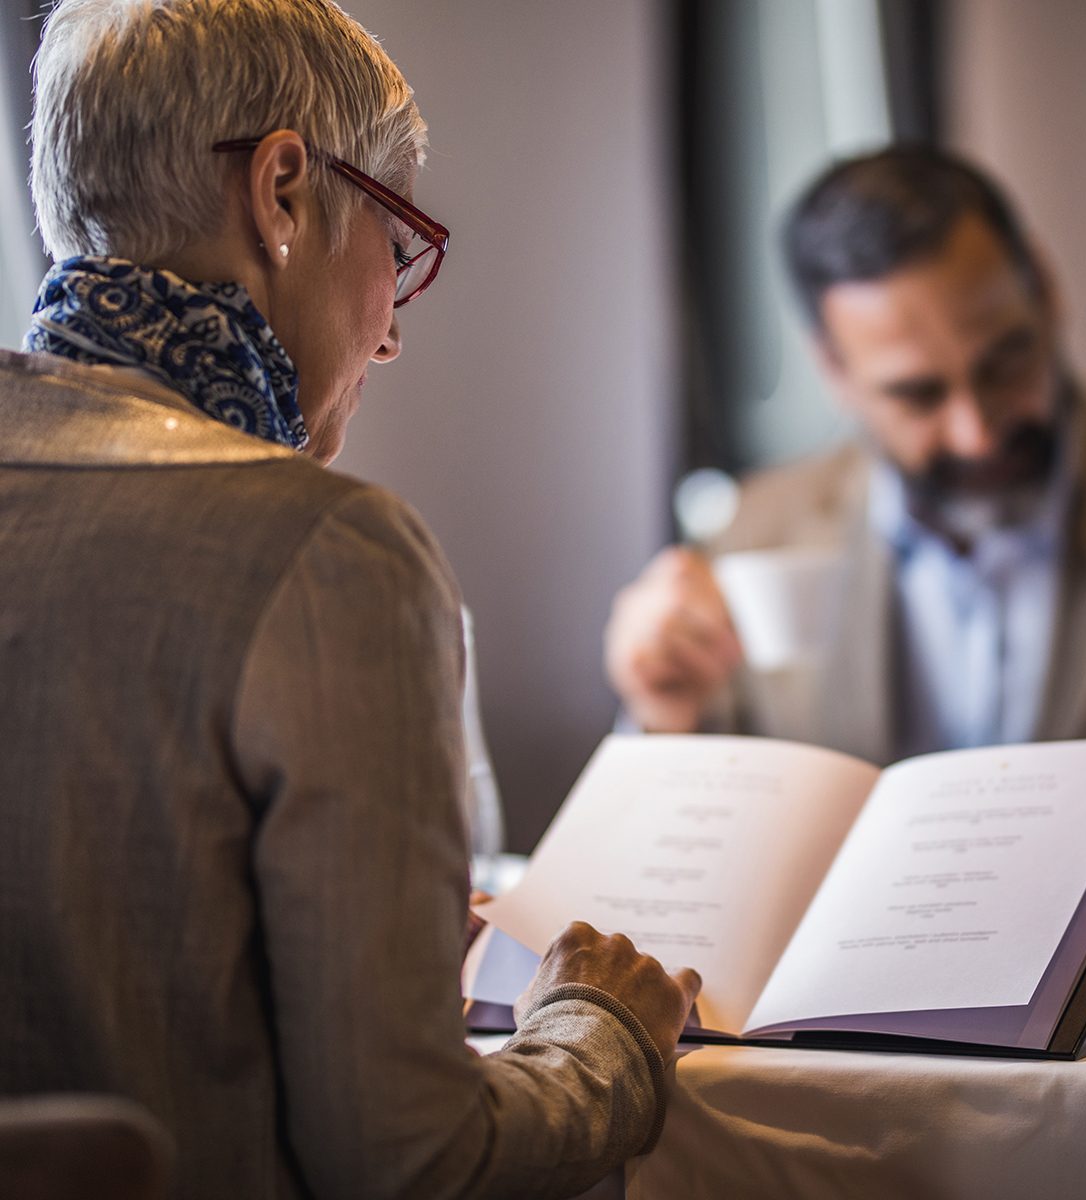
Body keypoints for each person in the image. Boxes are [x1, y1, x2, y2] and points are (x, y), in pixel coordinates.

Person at [0, 2, 700, 1198]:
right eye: (398, 238)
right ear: (281, 191)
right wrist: (604, 1031)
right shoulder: (330, 555)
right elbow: (411, 1160)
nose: (388, 339)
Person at [606, 146, 1086, 771]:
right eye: (919, 395)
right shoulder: (755, 534)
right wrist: (663, 717)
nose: (977, 434)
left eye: (1005, 363)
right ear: (835, 369)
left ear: (1046, 291)